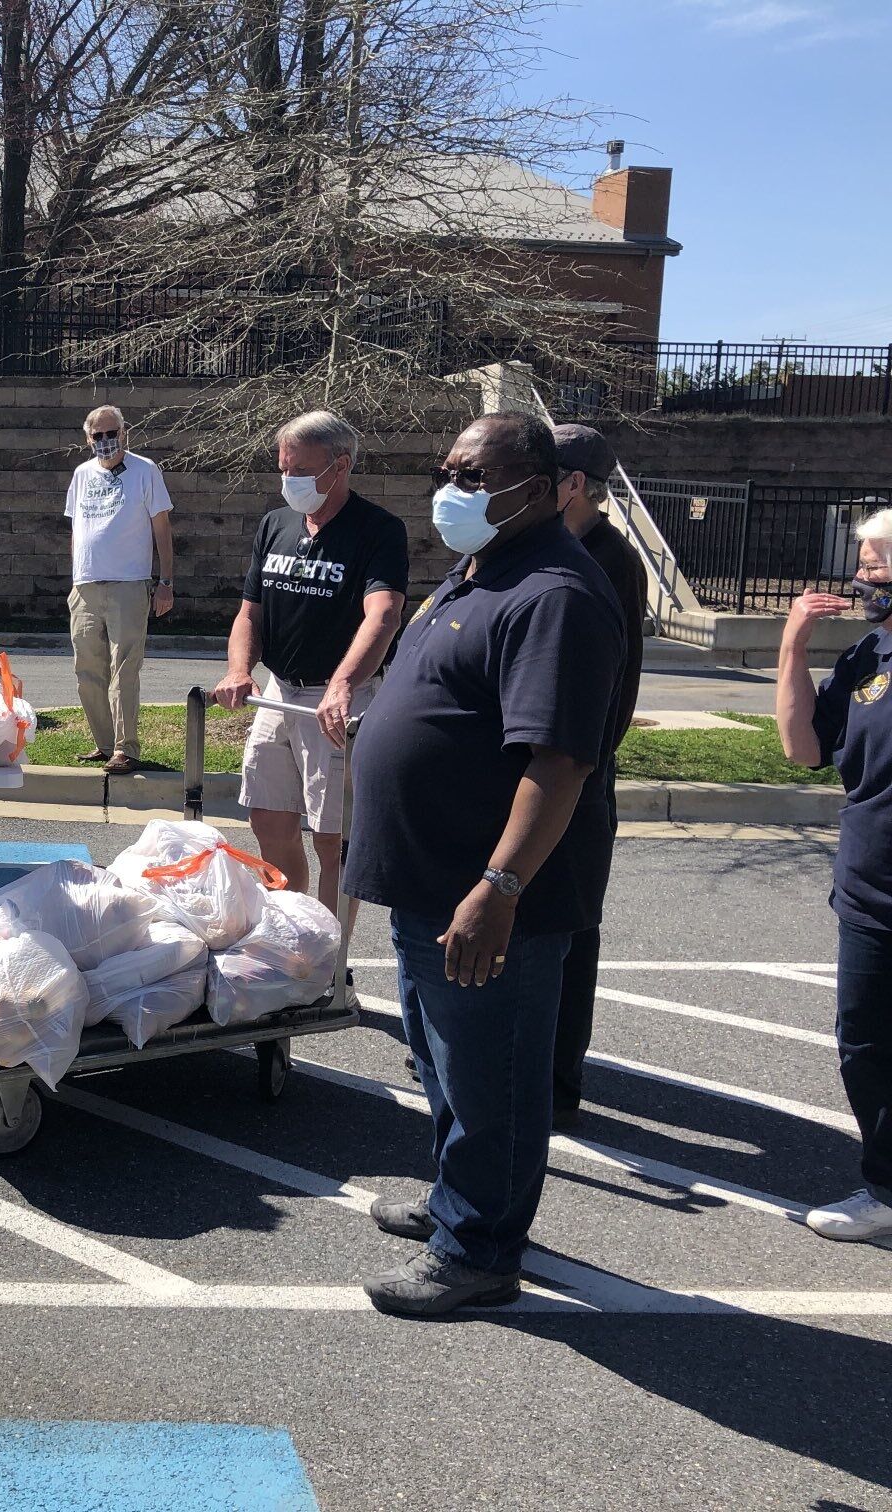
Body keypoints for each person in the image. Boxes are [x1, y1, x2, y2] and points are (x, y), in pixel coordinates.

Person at [345, 411, 625, 1318]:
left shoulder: (556, 595)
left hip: (487, 897)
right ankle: (455, 1197)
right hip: (427, 883)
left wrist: (499, 887)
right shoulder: (481, 572)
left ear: (538, 491)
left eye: (469, 475)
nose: (448, 490)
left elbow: (559, 762)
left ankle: (478, 1251)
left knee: (494, 1076)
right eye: (445, 471)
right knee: (443, 1060)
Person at [213, 410, 407, 917]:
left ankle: (328, 965)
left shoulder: (378, 530)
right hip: (279, 692)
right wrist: (239, 670)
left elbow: (383, 614)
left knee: (333, 837)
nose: (287, 480)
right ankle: (289, 936)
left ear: (339, 467)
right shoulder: (274, 524)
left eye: (298, 470)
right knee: (268, 819)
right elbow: (249, 612)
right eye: (282, 468)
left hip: (339, 699)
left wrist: (343, 684)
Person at [775, 507, 892, 1245]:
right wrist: (793, 647)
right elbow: (801, 748)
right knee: (867, 1042)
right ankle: (885, 1187)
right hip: (870, 889)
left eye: (875, 564)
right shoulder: (869, 655)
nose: (862, 578)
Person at [549, 424, 649, 1129]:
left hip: (574, 780)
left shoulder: (609, 562)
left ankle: (557, 1078)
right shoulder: (536, 545)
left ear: (574, 484)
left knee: (567, 927)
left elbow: (613, 688)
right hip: (519, 774)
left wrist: (579, 771)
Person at [65, 404, 174, 776]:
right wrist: (76, 577)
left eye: (112, 433)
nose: (106, 441)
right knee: (87, 669)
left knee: (124, 668)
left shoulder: (145, 471)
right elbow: (77, 530)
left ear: (125, 433)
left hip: (129, 584)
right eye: (98, 435)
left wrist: (166, 582)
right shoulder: (81, 474)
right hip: (86, 587)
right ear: (87, 439)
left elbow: (161, 527)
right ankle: (105, 743)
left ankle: (127, 748)